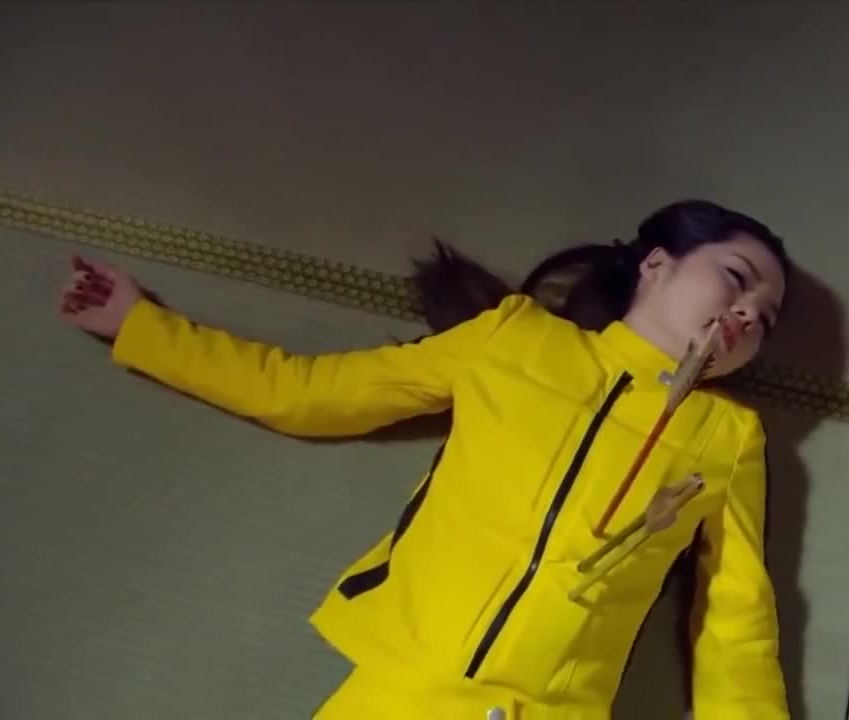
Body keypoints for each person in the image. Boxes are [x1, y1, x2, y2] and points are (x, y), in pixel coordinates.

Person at [59, 199, 791, 719]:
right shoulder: (514, 339)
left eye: (765, 317)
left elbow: (736, 624)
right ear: (658, 263)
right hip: (400, 694)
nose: (747, 313)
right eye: (736, 278)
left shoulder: (727, 436)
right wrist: (142, 328)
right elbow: (307, 393)